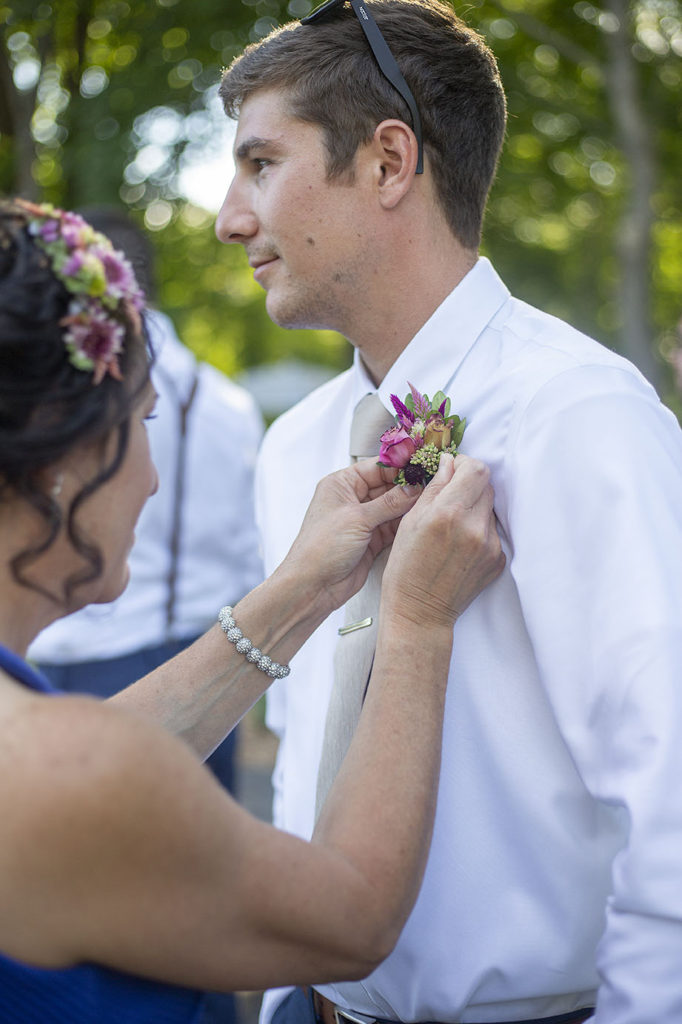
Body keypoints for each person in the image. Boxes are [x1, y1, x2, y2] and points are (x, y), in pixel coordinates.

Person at [214, 2, 682, 1023]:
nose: (228, 217)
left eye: (259, 164)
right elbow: (299, 751)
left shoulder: (583, 418)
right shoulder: (295, 445)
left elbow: (672, 799)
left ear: (388, 163)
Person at [0, 198, 503, 1024]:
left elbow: (102, 758)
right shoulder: (66, 777)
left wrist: (299, 591)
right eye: (143, 423)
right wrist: (416, 622)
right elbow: (355, 918)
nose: (154, 480)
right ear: (60, 453)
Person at [27, 208, 263, 1024]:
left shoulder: (53, 387)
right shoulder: (231, 406)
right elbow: (247, 555)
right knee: (201, 903)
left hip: (61, 655)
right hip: (200, 655)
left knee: (69, 913)